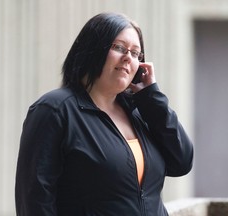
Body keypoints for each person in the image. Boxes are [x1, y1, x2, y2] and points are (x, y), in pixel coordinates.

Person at [15, 12, 193, 216]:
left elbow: (182, 162)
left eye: (136, 53)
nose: (128, 57)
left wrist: (152, 97)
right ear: (92, 49)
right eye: (118, 47)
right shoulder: (54, 110)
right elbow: (35, 199)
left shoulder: (140, 111)